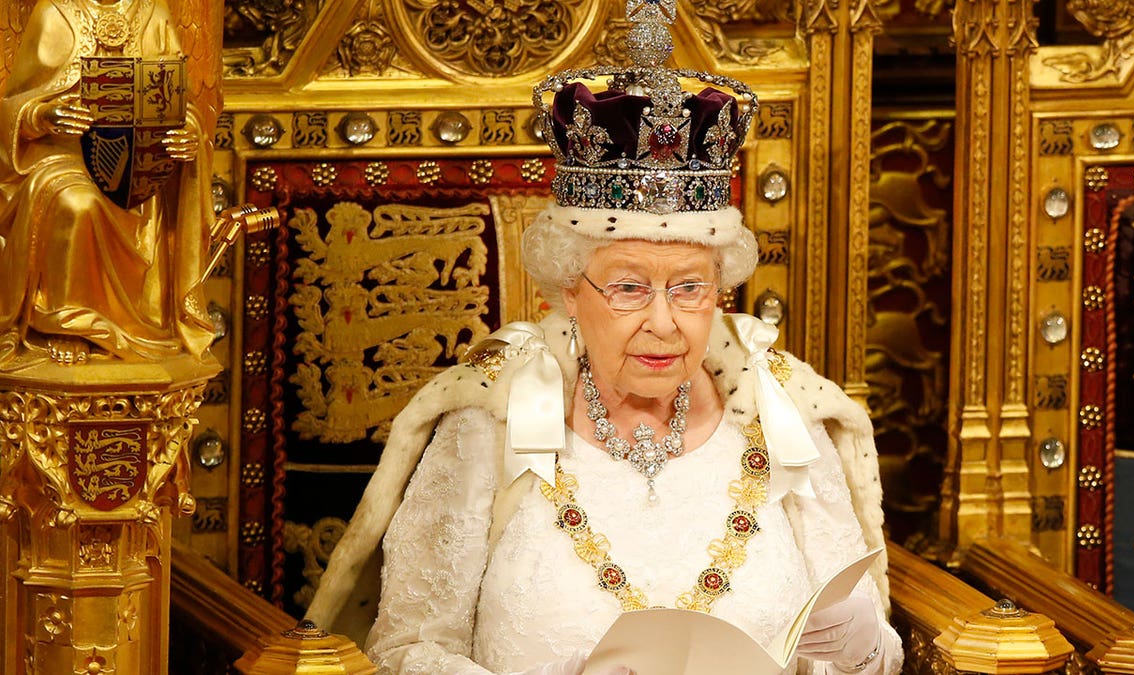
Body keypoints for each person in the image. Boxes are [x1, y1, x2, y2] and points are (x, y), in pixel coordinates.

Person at [306, 2, 902, 673]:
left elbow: (868, 649)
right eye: (628, 287)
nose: (664, 322)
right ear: (568, 289)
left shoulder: (783, 413)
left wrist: (862, 650)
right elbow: (407, 651)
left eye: (690, 288)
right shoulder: (489, 420)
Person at [0, 0, 214, 365]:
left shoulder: (153, 11)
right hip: (62, 156)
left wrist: (188, 132)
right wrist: (42, 115)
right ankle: (68, 323)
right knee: (76, 203)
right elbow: (12, 107)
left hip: (140, 166)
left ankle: (138, 323)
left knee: (136, 199)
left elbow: (180, 99)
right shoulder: (55, 11)